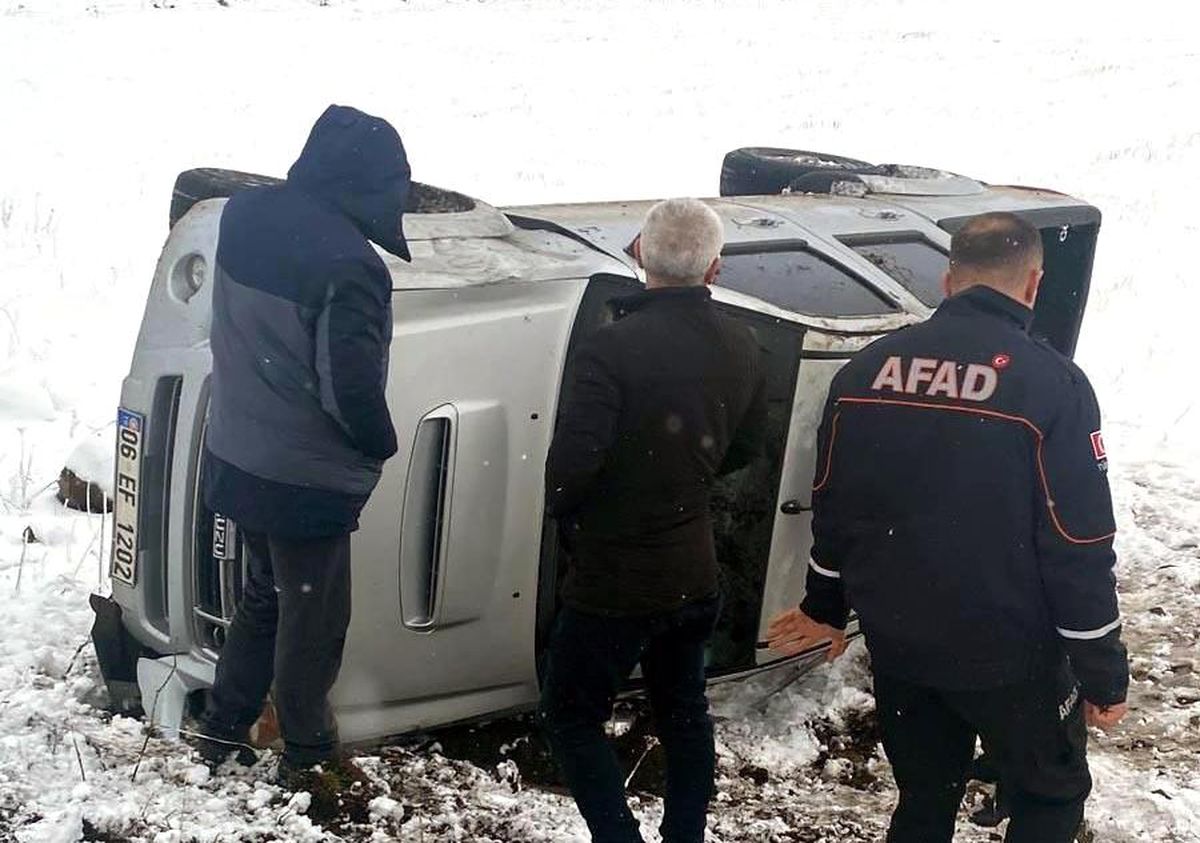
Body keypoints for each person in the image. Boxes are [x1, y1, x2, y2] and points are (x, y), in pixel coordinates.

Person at [766, 212, 1129, 843]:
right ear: (1034, 285)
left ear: (948, 280)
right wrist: (1102, 669)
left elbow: (834, 505)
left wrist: (825, 605)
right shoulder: (1053, 386)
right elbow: (1078, 542)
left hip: (901, 645)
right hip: (1011, 656)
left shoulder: (865, 371)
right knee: (1052, 794)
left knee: (925, 797)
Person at [539, 198, 767, 843]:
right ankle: (685, 835)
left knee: (571, 714)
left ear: (638, 252)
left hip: (614, 577)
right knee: (684, 712)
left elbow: (571, 468)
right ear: (715, 269)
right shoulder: (743, 345)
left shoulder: (610, 349)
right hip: (693, 572)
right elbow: (748, 449)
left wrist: (573, 512)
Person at [194, 105, 411, 781]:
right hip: (301, 479)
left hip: (238, 451)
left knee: (267, 593)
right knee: (314, 622)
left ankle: (223, 727)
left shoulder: (242, 215)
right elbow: (346, 388)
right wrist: (380, 443)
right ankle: (310, 760)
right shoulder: (351, 267)